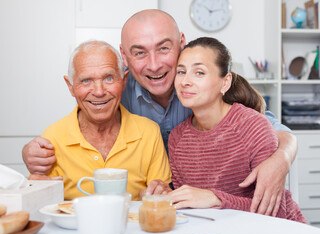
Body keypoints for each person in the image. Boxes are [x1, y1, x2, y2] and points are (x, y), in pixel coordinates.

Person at [22, 9, 297, 216]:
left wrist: (281, 157)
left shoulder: (210, 91)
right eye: (140, 53)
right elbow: (80, 124)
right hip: (186, 211)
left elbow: (270, 130)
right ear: (125, 58)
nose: (154, 65)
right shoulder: (114, 93)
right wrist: (33, 153)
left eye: (164, 48)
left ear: (181, 43)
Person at [166, 37, 305, 223]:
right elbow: (189, 209)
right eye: (181, 72)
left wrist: (214, 198)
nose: (185, 81)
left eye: (199, 72)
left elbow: (275, 215)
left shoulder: (253, 127)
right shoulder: (177, 138)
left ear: (225, 82)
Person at [38, 40, 171, 200]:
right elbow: (41, 202)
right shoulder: (52, 137)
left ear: (124, 81)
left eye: (108, 78)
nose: (99, 92)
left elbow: (161, 198)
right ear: (70, 86)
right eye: (86, 80)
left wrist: (161, 193)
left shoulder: (149, 132)